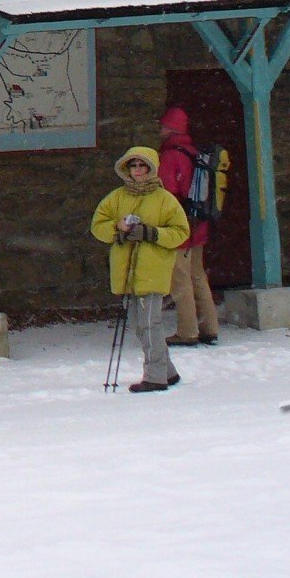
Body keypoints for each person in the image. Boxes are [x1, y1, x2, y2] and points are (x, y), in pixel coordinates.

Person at [89, 146, 190, 393]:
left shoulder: (165, 199)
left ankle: (155, 376)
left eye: (142, 166)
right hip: (127, 271)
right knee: (142, 324)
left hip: (153, 269)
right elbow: (97, 226)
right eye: (133, 166)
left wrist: (152, 233)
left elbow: (180, 232)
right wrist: (117, 228)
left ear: (151, 169)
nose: (137, 171)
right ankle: (168, 371)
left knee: (148, 323)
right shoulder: (116, 197)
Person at [159, 106, 221, 346]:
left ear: (170, 128)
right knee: (197, 276)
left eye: (163, 125)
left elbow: (167, 194)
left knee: (179, 279)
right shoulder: (193, 151)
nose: (160, 129)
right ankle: (209, 327)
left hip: (180, 225)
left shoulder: (170, 156)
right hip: (199, 222)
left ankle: (187, 331)